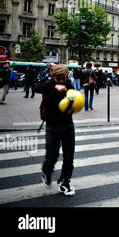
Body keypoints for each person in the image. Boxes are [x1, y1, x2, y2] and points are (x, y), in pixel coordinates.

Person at [35, 64, 76, 196]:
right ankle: (47, 172)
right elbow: (36, 88)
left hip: (68, 125)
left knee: (69, 157)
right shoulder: (48, 85)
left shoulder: (69, 85)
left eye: (62, 78)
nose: (60, 80)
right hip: (52, 126)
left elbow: (75, 98)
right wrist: (54, 87)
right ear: (53, 77)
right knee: (52, 156)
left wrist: (67, 92)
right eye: (57, 78)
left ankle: (64, 183)